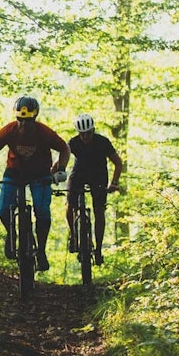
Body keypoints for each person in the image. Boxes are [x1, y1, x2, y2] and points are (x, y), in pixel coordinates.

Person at [0, 95, 70, 272]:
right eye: (20, 120)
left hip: (40, 174)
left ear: (35, 117)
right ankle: (11, 234)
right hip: (14, 173)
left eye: (28, 120)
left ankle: (41, 250)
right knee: (3, 210)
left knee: (42, 212)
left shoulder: (44, 132)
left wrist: (61, 169)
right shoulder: (9, 131)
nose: (23, 124)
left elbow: (64, 148)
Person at [65, 113, 123, 266]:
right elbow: (62, 159)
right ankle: (74, 235)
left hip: (98, 175)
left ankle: (98, 249)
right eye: (82, 134)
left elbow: (118, 163)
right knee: (70, 203)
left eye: (88, 133)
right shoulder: (74, 142)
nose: (85, 137)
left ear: (93, 130)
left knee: (99, 210)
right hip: (79, 173)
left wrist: (114, 183)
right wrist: (53, 173)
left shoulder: (103, 142)